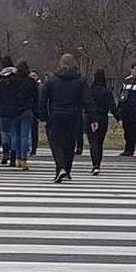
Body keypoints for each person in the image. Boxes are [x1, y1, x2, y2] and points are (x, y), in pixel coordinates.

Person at [39, 53, 98, 183]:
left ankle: (60, 167)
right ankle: (67, 169)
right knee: (70, 143)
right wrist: (93, 118)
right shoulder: (80, 81)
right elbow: (88, 100)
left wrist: (43, 116)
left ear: (60, 63)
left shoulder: (52, 79)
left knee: (56, 142)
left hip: (56, 115)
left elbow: (43, 99)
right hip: (74, 115)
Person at [0, 59, 39, 169]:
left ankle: (16, 157)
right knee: (25, 136)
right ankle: (23, 159)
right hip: (27, 110)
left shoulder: (12, 81)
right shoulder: (31, 82)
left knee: (15, 135)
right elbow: (36, 97)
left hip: (14, 111)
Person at [87, 69, 119, 175]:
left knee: (93, 142)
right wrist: (119, 118)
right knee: (100, 142)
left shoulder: (89, 90)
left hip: (91, 118)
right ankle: (98, 164)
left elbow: (85, 104)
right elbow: (112, 106)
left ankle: (94, 164)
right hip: (103, 118)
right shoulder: (106, 92)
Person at [29, 70, 42, 156]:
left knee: (34, 131)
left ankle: (34, 148)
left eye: (34, 76)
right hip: (27, 110)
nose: (33, 78)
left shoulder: (40, 87)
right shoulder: (27, 86)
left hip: (35, 111)